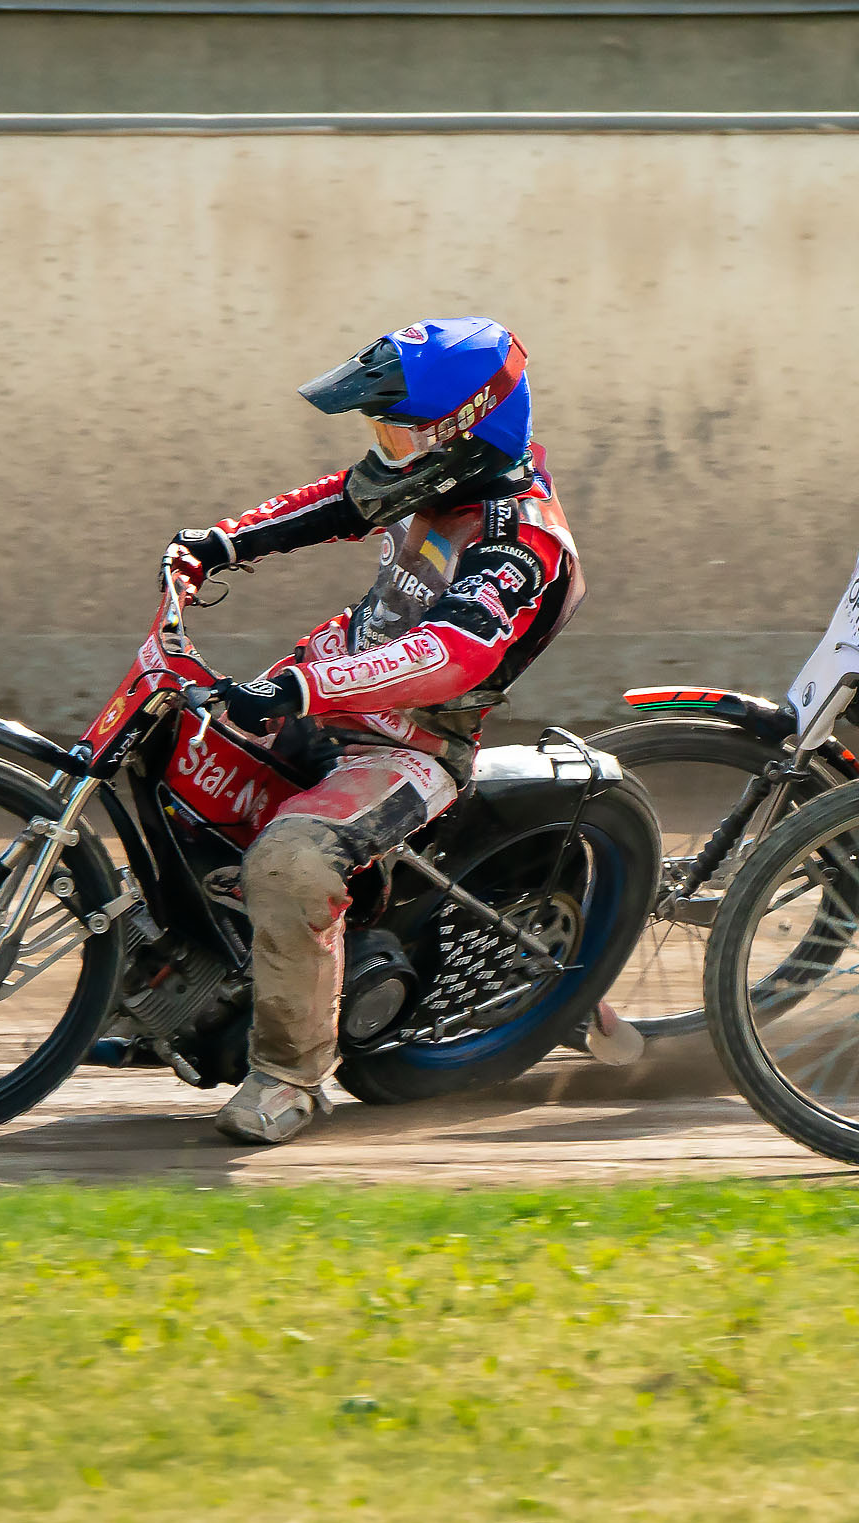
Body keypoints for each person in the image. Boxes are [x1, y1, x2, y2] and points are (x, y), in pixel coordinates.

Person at [162, 317, 582, 1145]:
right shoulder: (430, 475)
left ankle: (292, 1075)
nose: (384, 448)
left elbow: (447, 652)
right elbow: (338, 500)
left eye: (398, 429)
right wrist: (223, 542)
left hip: (410, 747)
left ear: (466, 427)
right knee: (175, 754)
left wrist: (300, 687)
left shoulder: (520, 540)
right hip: (325, 694)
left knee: (288, 862)